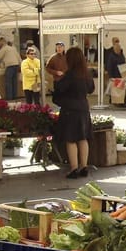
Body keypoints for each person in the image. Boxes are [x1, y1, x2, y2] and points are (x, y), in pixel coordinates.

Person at [53, 46, 95, 179]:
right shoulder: (86, 73)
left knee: (70, 139)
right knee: (83, 138)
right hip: (83, 108)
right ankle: (84, 166)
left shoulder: (70, 75)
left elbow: (60, 89)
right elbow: (91, 89)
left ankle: (74, 168)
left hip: (70, 110)